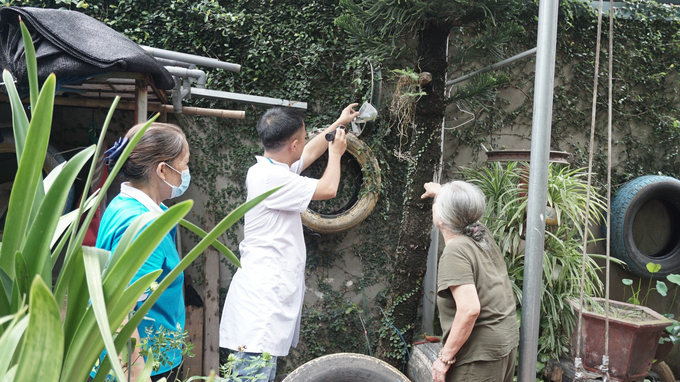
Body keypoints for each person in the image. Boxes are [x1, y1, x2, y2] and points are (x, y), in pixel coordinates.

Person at [219, 104, 360, 381]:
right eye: (304, 136)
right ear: (292, 144)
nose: (306, 141)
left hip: (262, 299)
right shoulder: (274, 179)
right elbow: (328, 188)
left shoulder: (267, 169)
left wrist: (338, 123)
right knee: (252, 374)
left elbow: (307, 154)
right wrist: (336, 153)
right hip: (261, 306)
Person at [93, 122, 191, 382]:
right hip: (144, 366)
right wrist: (137, 375)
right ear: (162, 170)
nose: (186, 172)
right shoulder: (145, 225)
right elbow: (120, 311)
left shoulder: (122, 204)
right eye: (183, 164)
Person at [421, 180, 519, 382]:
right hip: (503, 341)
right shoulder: (480, 233)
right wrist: (442, 192)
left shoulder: (455, 252)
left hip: (479, 355)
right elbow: (465, 210)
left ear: (443, 219)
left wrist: (444, 359)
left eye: (437, 205)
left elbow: (469, 309)